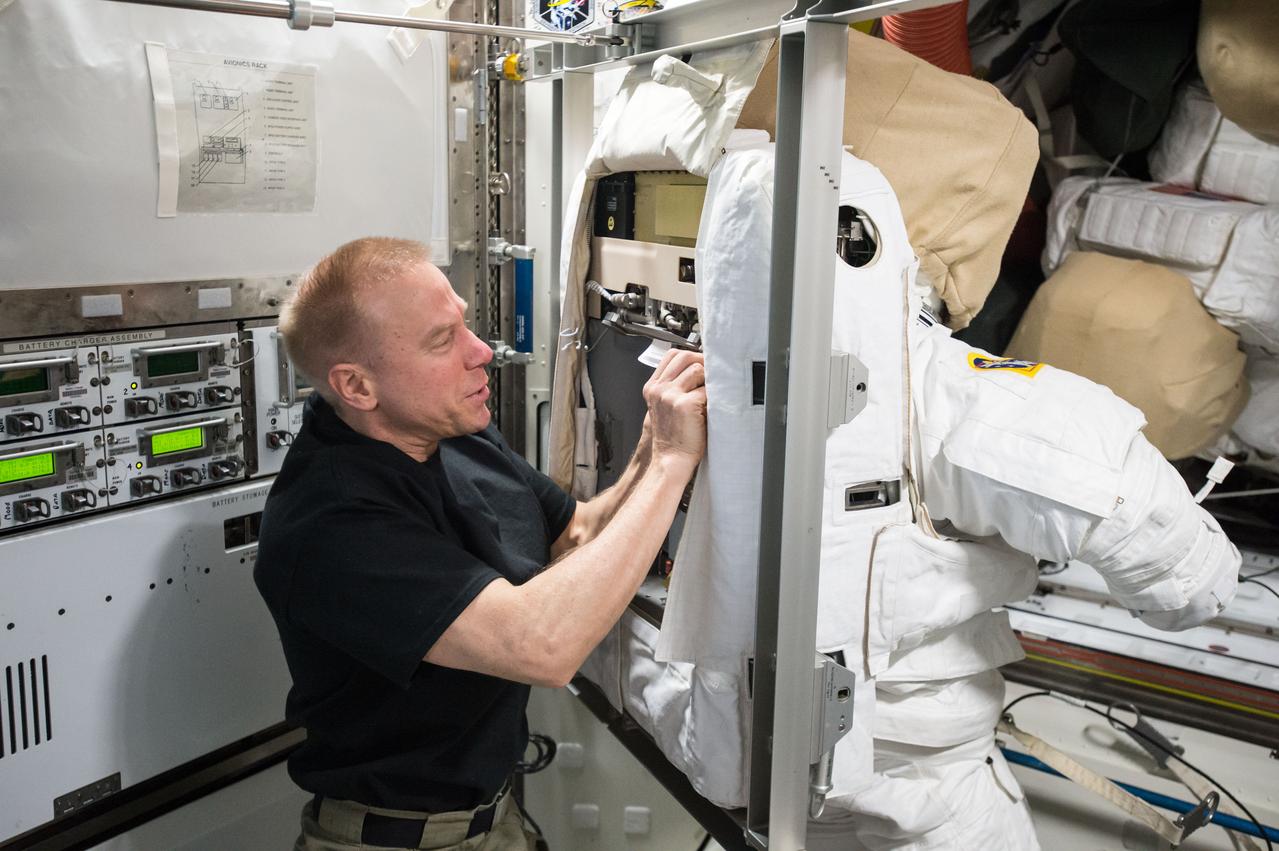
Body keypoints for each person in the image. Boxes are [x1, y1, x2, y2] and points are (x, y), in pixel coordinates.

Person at [254, 237, 707, 851]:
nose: (481, 352)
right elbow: (541, 646)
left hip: (493, 822)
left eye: (464, 323)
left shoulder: (450, 431)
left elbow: (576, 533)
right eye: (442, 341)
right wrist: (673, 463)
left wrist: (654, 441)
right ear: (357, 386)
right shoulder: (331, 521)